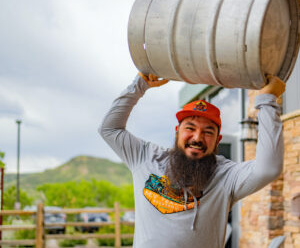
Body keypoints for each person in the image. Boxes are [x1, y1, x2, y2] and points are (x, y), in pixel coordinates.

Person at [99, 73, 285, 248]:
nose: (197, 137)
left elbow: (268, 168)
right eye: (190, 128)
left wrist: (267, 102)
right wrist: (139, 85)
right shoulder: (146, 156)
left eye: (208, 132)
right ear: (177, 132)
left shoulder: (226, 176)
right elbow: (109, 129)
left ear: (217, 141)